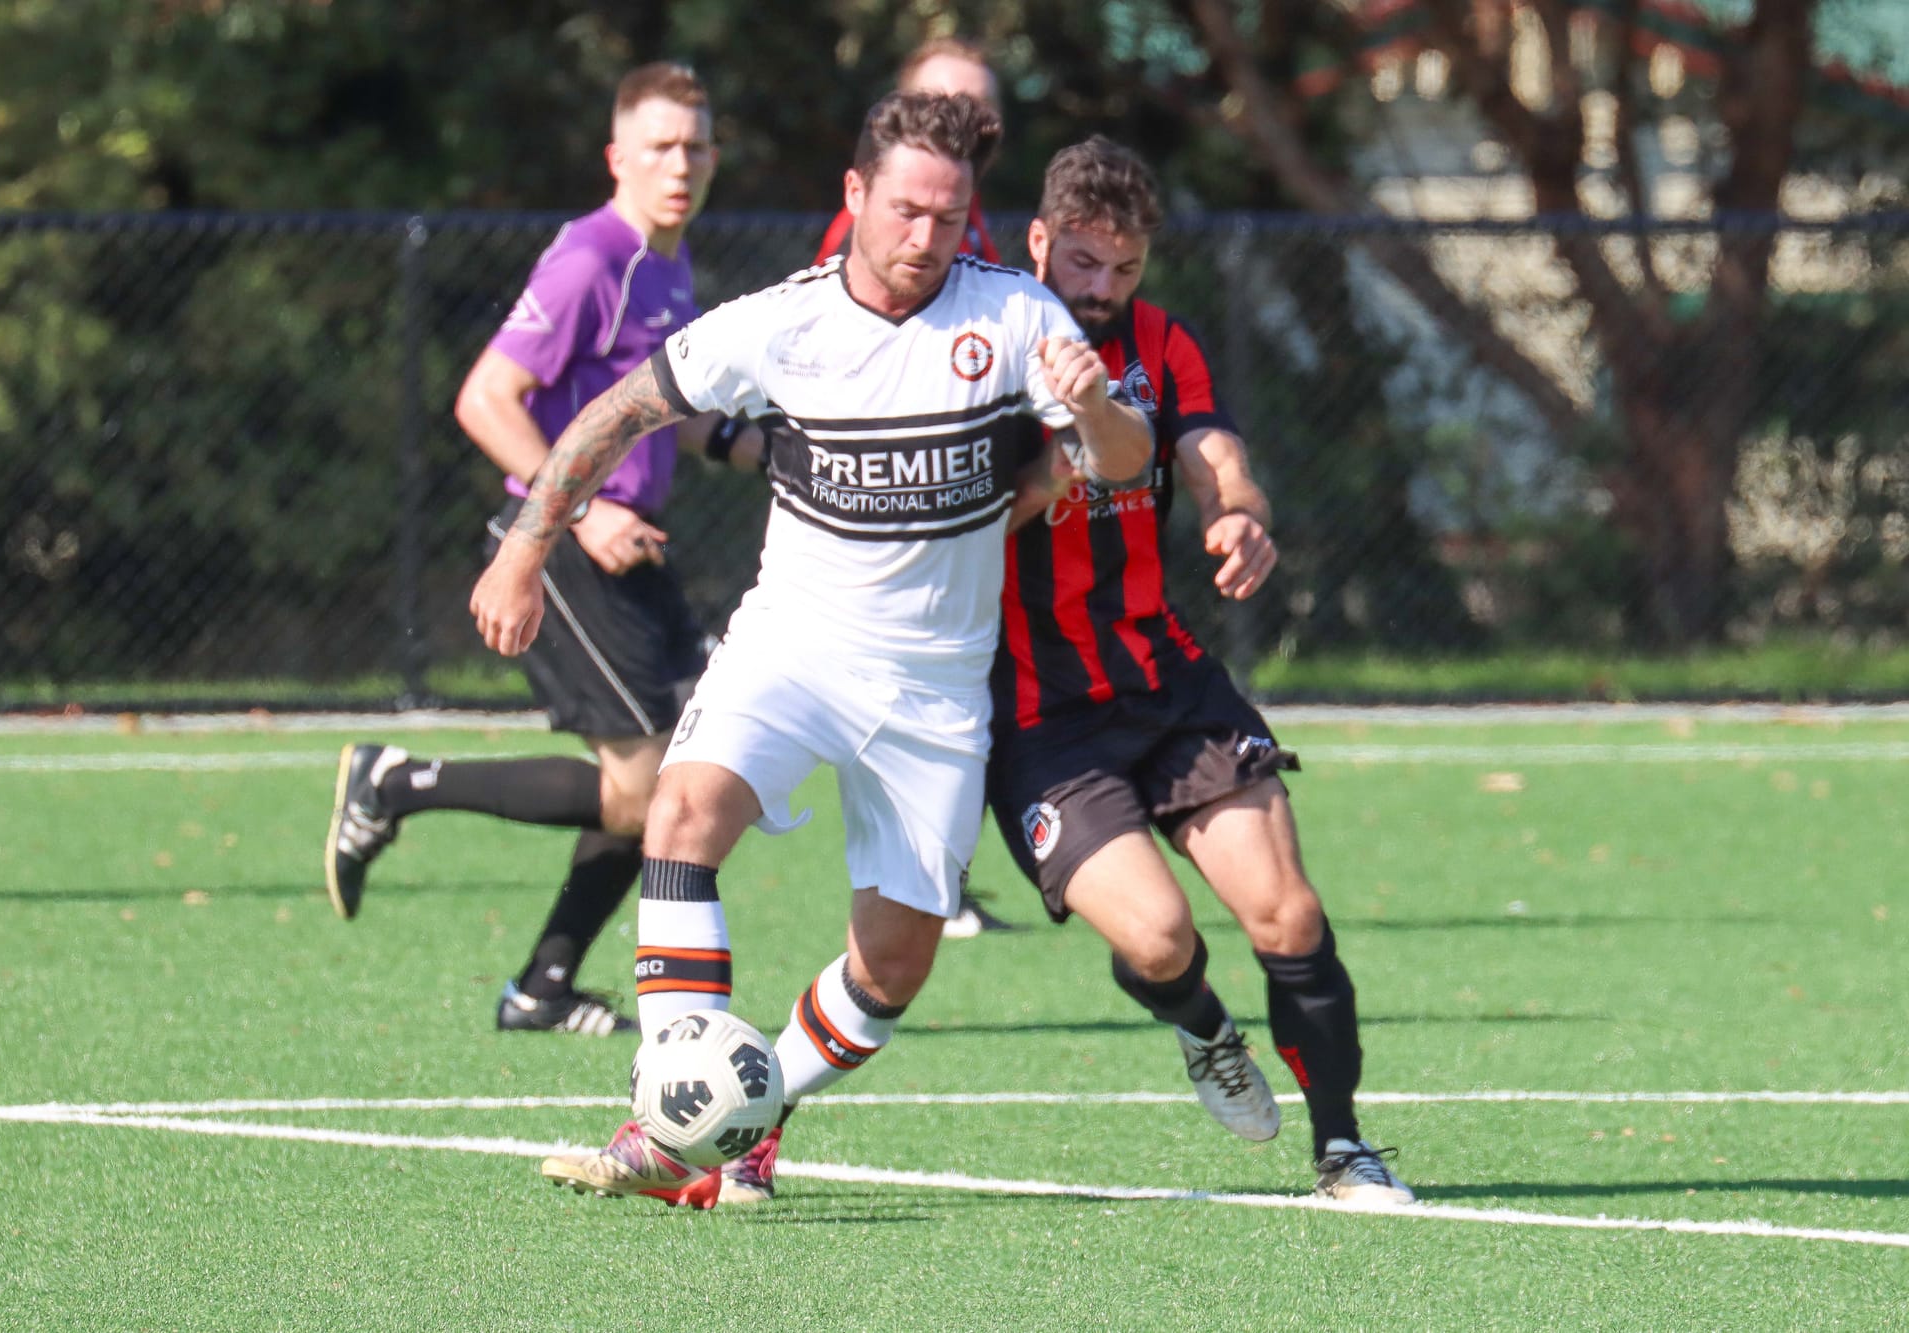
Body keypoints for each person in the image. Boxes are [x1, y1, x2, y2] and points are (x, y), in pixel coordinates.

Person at [469, 91, 1153, 1207]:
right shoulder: (778, 323)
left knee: (893, 969)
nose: (923, 237)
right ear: (854, 197)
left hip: (933, 687)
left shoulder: (1020, 317)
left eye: (947, 215)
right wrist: (524, 549)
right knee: (680, 812)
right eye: (902, 210)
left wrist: (1089, 417)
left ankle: (751, 1109)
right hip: (790, 646)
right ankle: (670, 1113)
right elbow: (614, 414)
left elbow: (1117, 460)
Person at [989, 137, 1414, 1205]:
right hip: (1039, 712)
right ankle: (1204, 1028)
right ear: (1038, 242)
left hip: (1165, 678)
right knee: (1160, 935)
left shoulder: (1161, 343)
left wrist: (1239, 518)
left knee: (1287, 915)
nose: (1099, 290)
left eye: (1121, 270)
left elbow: (1217, 457)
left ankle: (1343, 1147)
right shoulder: (980, 343)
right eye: (1081, 264)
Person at [325, 62, 770, 1036]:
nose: (680, 164)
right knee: (647, 786)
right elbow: (484, 398)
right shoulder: (591, 258)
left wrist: (759, 447)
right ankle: (399, 783)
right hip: (571, 547)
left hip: (632, 547)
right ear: (617, 156)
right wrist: (581, 512)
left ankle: (542, 987)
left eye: (696, 145)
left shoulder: (669, 260)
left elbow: (668, 413)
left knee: (676, 777)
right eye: (659, 146)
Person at [816, 37, 1011, 938]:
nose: (969, 118)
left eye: (980, 107)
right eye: (949, 100)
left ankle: (936, 882)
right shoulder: (873, 238)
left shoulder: (973, 233)